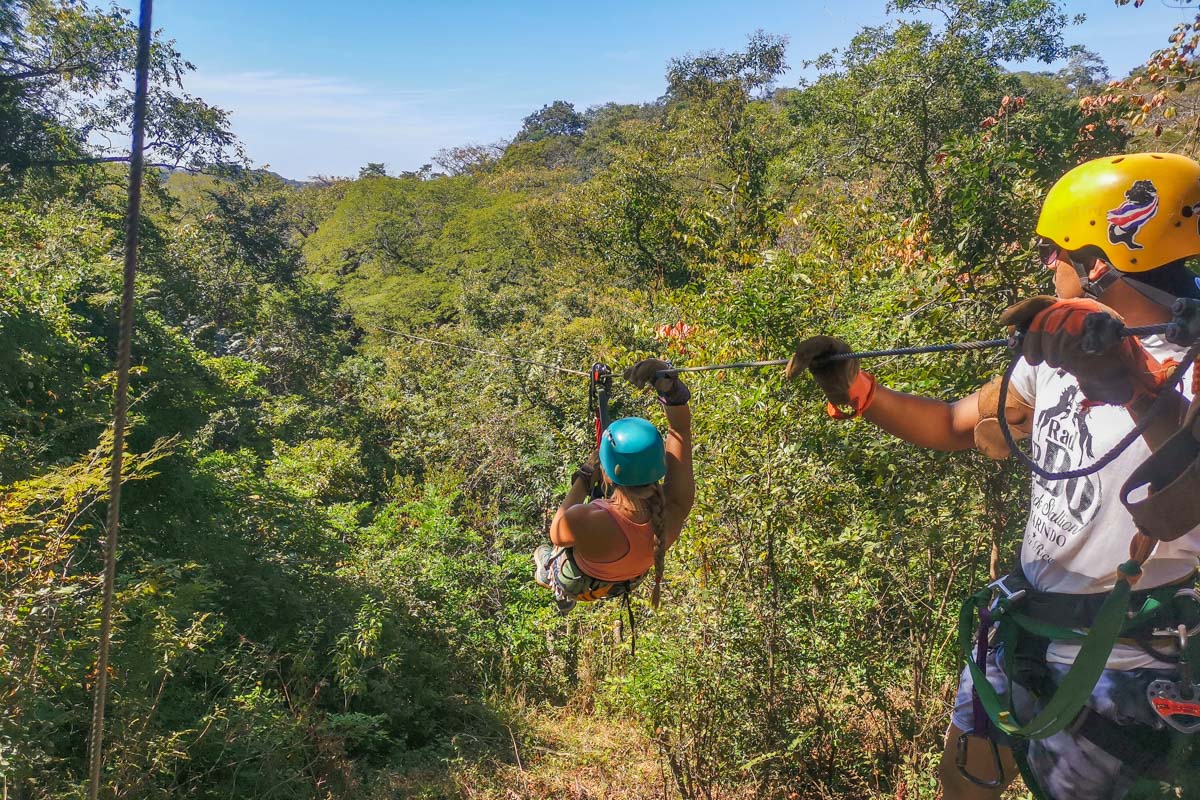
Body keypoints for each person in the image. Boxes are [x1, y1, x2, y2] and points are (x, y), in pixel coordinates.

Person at [786, 152, 1200, 800]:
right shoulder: (1060, 353)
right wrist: (858, 388)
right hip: (1021, 631)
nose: (1045, 265)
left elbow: (1191, 484)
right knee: (961, 789)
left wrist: (1134, 383)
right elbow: (956, 423)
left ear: (1099, 262)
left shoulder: (1191, 367)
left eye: (1053, 251)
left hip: (1124, 663)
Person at [534, 358, 694, 612]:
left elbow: (557, 533)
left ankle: (554, 582)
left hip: (581, 580)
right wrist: (669, 389)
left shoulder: (586, 518)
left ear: (604, 470)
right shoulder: (674, 507)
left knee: (544, 553)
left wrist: (585, 477)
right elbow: (680, 432)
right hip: (625, 579)